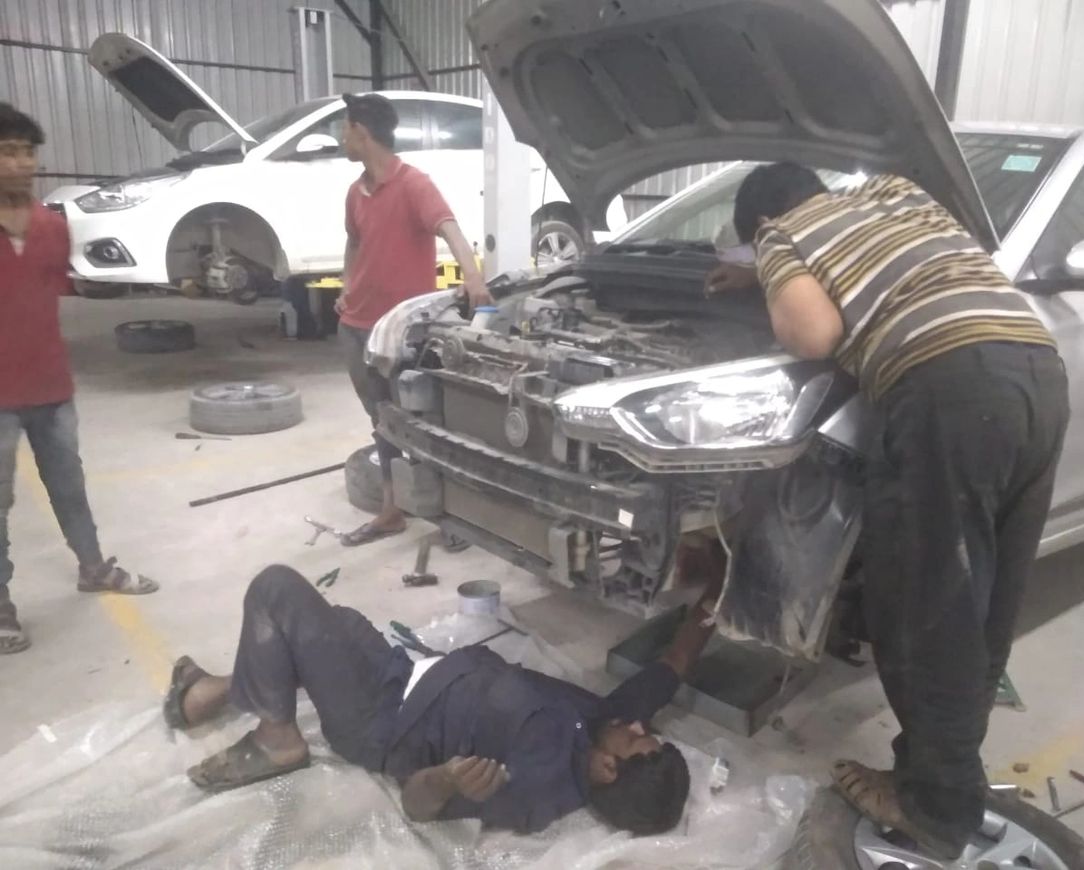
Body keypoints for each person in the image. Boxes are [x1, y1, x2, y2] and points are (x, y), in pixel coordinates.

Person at [707, 165, 1069, 858]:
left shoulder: (783, 236)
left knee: (923, 607)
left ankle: (933, 805)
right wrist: (765, 276)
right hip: (1038, 375)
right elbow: (890, 268)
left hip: (947, 389)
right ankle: (941, 773)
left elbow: (813, 335)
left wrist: (774, 271)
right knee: (982, 605)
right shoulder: (897, 193)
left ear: (756, 230)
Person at [161, 557, 723, 834]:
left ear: (607, 769)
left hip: (379, 719)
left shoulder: (535, 788)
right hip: (402, 672)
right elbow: (675, 663)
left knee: (276, 589)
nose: (641, 728)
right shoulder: (608, 720)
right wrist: (722, 591)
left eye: (639, 743)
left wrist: (446, 780)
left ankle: (277, 737)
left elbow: (417, 805)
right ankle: (207, 694)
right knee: (331, 622)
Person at [0, 104, 158, 655]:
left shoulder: (51, 227)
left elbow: (60, 290)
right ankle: (2, 610)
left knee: (70, 487)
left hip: (51, 387)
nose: (20, 164)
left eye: (27, 152)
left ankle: (93, 568)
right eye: (7, 152)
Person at [336, 93, 492, 547]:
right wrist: (347, 286)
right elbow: (353, 243)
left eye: (345, 129)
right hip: (357, 327)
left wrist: (474, 278)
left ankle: (451, 516)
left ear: (362, 133)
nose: (342, 138)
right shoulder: (355, 192)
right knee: (381, 420)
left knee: (426, 421)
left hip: (405, 332)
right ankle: (391, 510)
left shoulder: (414, 184)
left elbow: (450, 230)